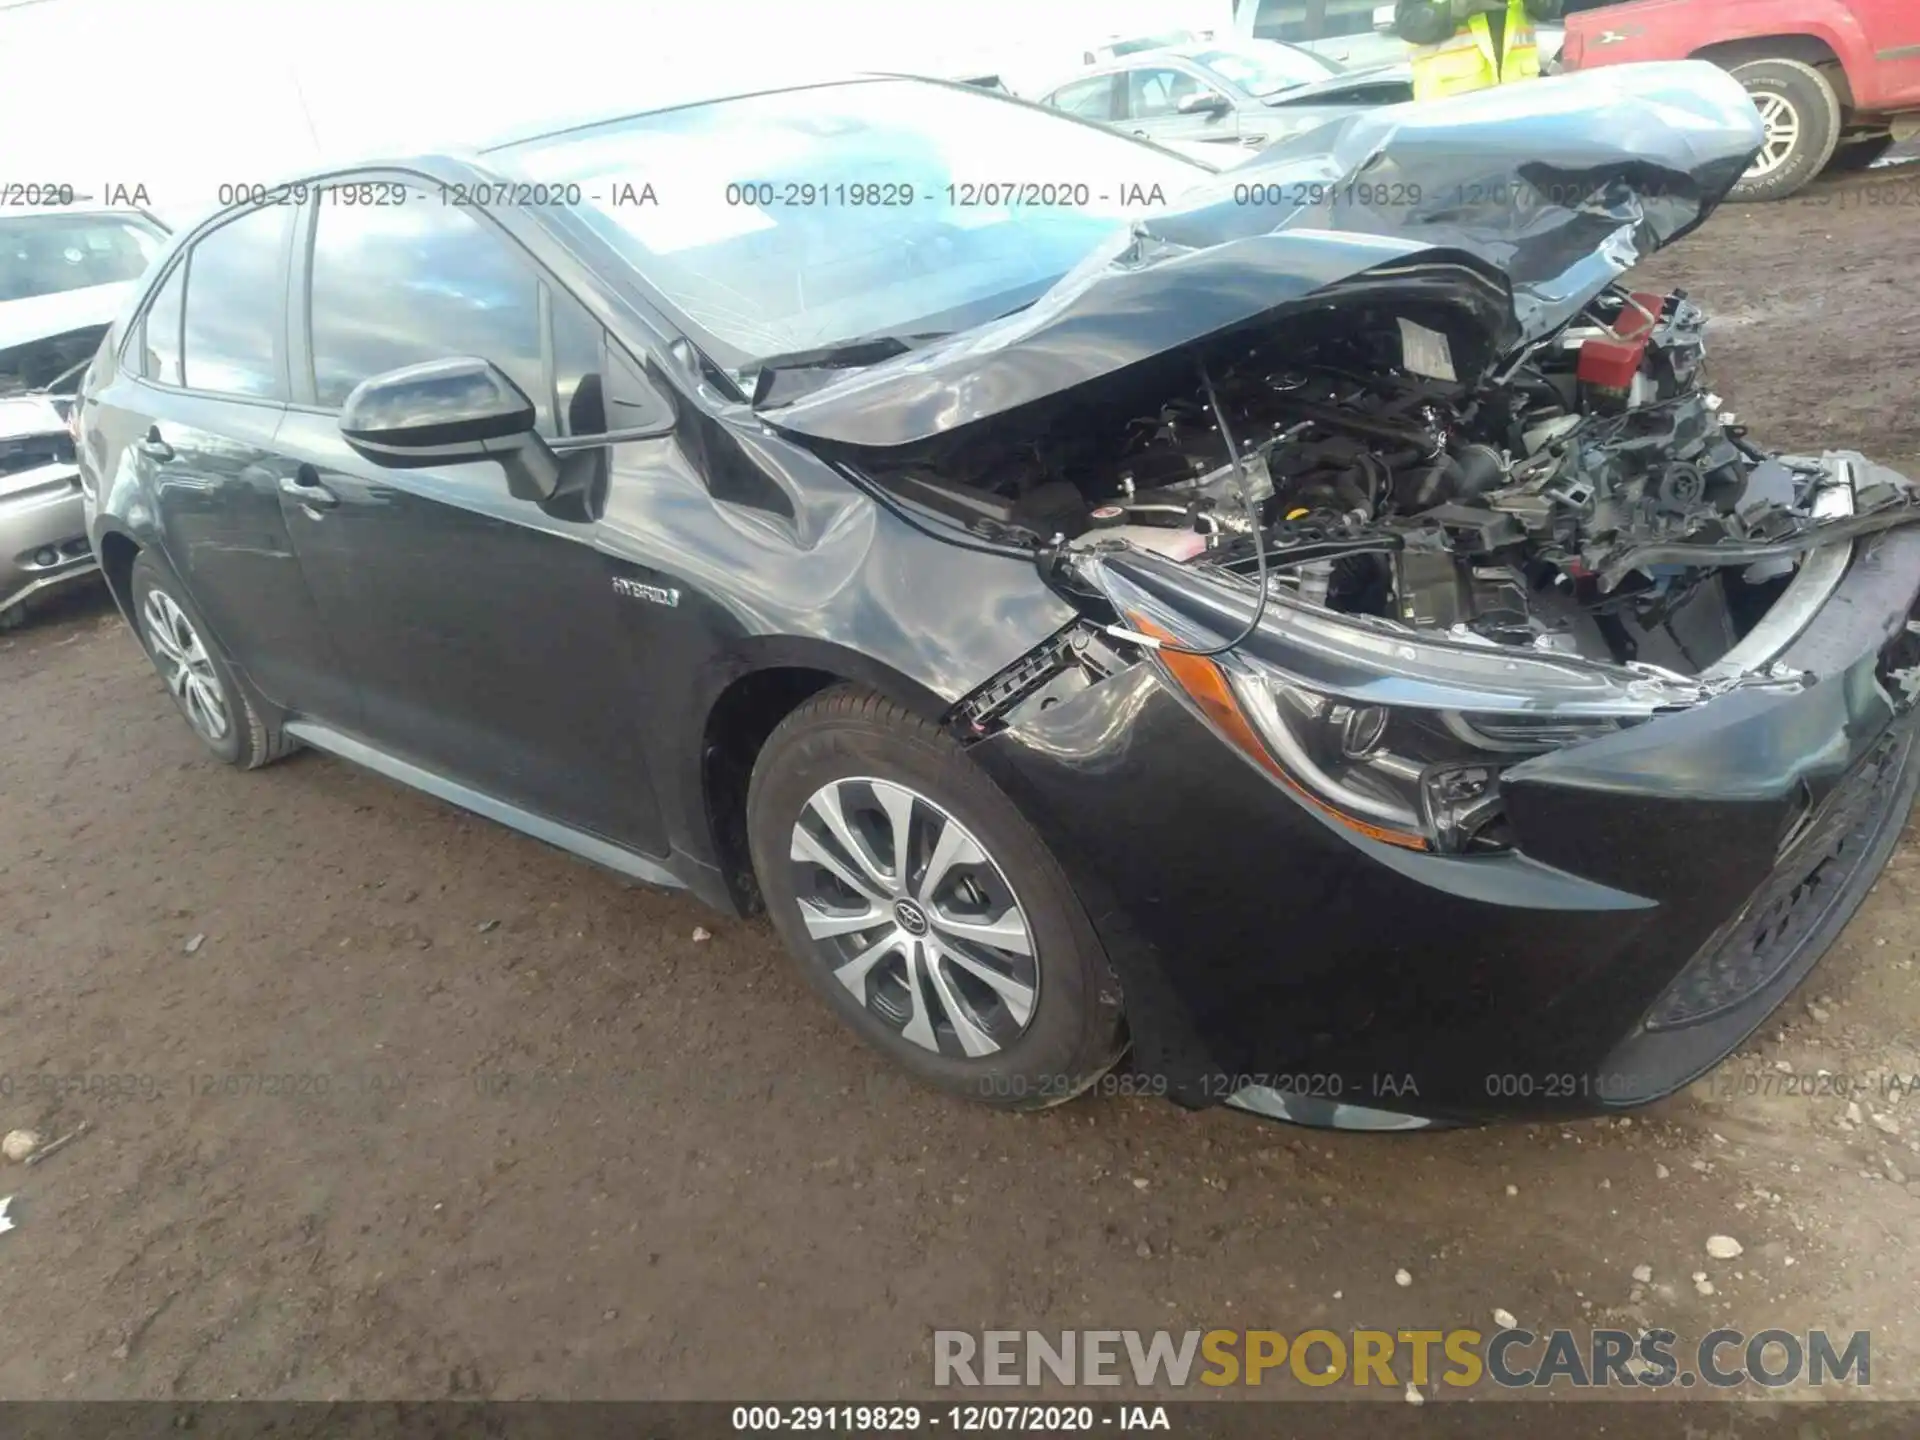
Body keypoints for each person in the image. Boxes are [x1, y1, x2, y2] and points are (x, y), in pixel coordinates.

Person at [1393, 0, 1565, 102]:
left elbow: (1553, 8)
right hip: (1450, 108)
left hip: (1517, 100)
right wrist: (1458, 8)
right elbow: (1409, 23)